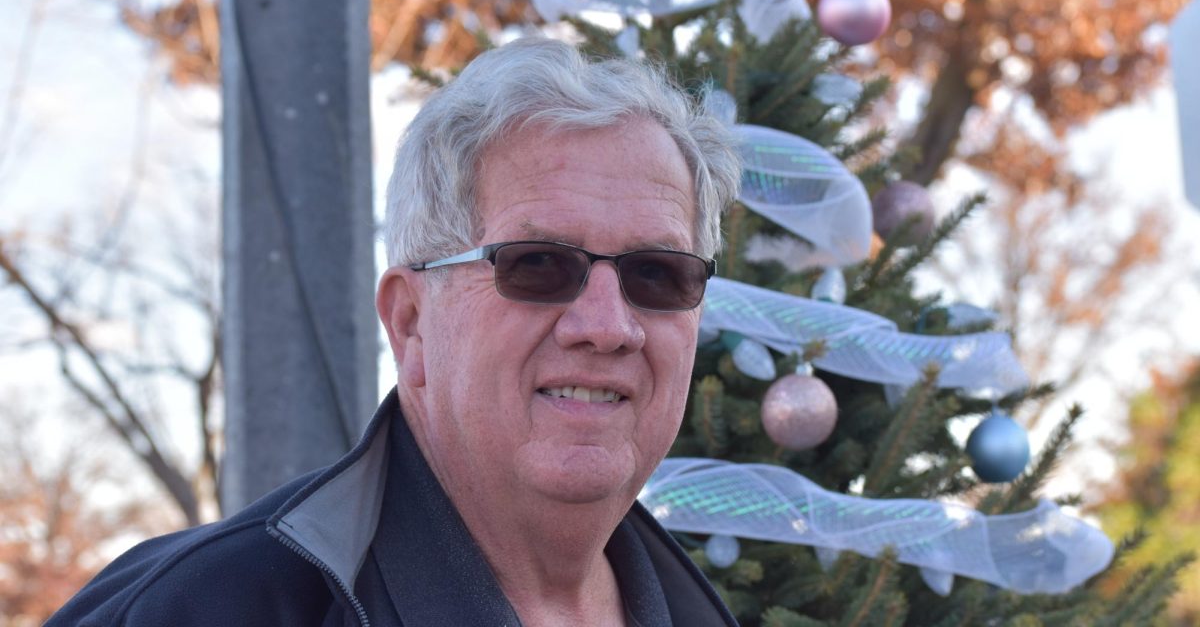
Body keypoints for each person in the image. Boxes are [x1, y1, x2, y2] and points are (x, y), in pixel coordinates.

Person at [48, 36, 742, 626]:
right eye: (538, 265)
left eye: (656, 274)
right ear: (410, 324)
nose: (608, 326)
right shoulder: (204, 607)